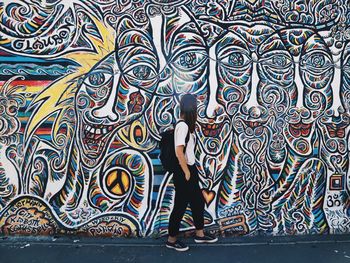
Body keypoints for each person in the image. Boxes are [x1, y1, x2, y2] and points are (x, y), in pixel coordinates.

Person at [166, 94, 218, 252]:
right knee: (180, 206)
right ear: (191, 109)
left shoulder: (186, 125)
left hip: (190, 170)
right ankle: (171, 240)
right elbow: (179, 151)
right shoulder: (182, 126)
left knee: (197, 202)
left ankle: (200, 234)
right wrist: (187, 171)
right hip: (184, 171)